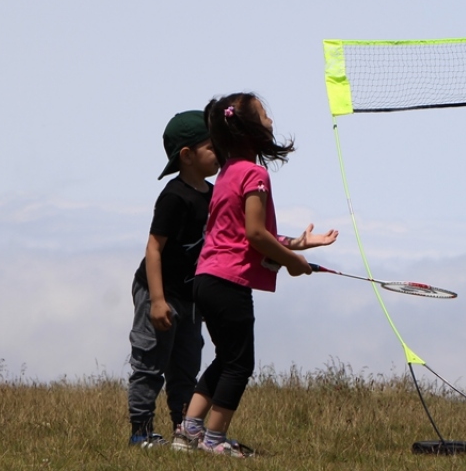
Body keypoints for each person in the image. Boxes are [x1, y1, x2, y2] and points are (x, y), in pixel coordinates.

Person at [172, 93, 339, 456]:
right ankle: (214, 441)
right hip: (229, 281)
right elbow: (255, 235)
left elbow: (242, 232)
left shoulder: (229, 174)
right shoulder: (255, 173)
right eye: (264, 115)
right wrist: (293, 263)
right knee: (240, 364)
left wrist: (299, 244)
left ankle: (188, 432)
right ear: (246, 129)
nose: (271, 121)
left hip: (206, 279)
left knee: (226, 357)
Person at [127, 110, 218, 447]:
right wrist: (158, 300)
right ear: (187, 155)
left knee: (186, 365)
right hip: (158, 290)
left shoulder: (212, 194)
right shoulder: (174, 196)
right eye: (212, 146)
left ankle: (183, 430)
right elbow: (154, 248)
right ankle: (140, 433)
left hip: (190, 296)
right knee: (150, 363)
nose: (220, 153)